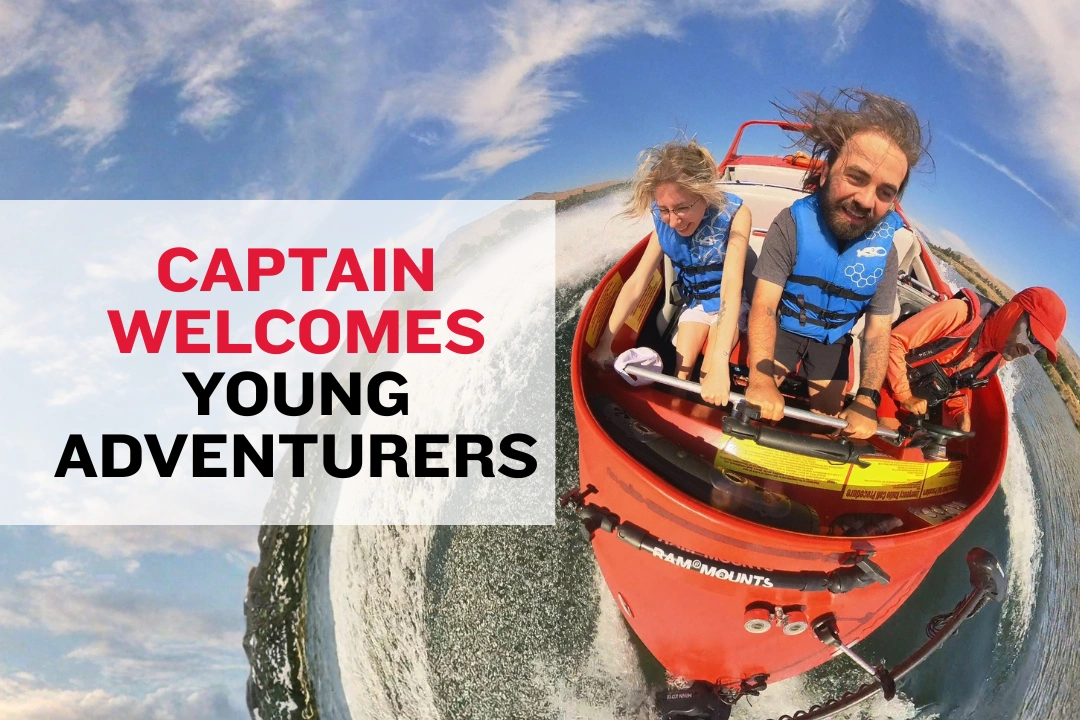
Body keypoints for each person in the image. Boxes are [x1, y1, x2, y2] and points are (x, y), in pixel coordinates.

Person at [744, 89, 928, 439]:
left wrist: (867, 400)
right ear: (827, 172)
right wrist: (760, 379)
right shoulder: (792, 224)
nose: (865, 200)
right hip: (785, 325)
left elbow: (877, 331)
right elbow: (765, 305)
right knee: (759, 406)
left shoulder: (883, 255)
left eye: (884, 192)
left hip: (833, 341)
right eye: (856, 178)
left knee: (829, 421)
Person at [588, 139, 751, 406]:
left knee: (710, 373)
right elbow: (637, 282)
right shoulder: (663, 223)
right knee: (681, 375)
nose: (673, 221)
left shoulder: (736, 214)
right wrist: (606, 342)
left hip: (729, 303)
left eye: (682, 208)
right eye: (665, 210)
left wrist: (721, 366)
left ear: (705, 194)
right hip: (696, 302)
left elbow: (732, 287)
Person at [883, 286, 1067, 431]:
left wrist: (960, 412)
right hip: (881, 378)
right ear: (1014, 312)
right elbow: (893, 342)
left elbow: (954, 382)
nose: (1029, 350)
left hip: (911, 399)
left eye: (1039, 347)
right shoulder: (958, 314)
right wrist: (905, 395)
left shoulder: (996, 360)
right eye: (1032, 336)